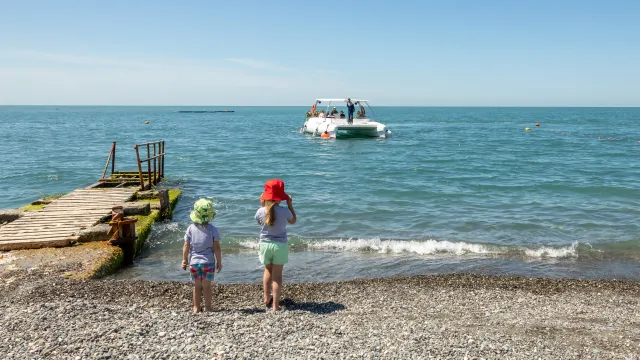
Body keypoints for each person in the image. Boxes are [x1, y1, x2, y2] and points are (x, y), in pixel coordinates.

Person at [255, 179, 296, 311]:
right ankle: (275, 305)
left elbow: (259, 222)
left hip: (265, 245)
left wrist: (262, 204)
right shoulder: (284, 211)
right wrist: (290, 204)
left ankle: (266, 298)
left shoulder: (261, 211)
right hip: (280, 245)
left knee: (268, 270)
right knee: (277, 276)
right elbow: (293, 220)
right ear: (281, 198)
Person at [182, 199, 222, 313]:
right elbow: (217, 248)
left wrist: (184, 260)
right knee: (207, 286)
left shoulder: (190, 228)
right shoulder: (213, 229)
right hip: (208, 263)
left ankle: (196, 307)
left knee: (197, 286)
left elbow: (186, 245)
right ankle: (208, 307)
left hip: (194, 262)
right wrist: (219, 262)